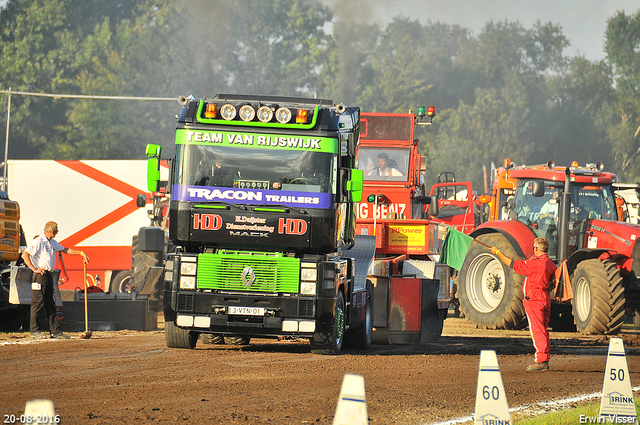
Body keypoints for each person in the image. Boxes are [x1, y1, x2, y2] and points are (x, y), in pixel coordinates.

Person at [490, 237, 557, 371]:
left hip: (534, 299)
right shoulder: (550, 264)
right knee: (542, 329)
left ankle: (542, 360)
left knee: (537, 330)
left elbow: (513, 264)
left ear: (536, 249)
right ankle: (544, 357)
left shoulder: (534, 263)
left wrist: (498, 253)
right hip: (544, 297)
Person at [22, 221, 90, 339]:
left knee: (50, 304)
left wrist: (81, 253)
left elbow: (65, 250)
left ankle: (55, 331)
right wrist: (34, 269)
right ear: (53, 231)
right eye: (56, 230)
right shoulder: (38, 242)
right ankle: (35, 331)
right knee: (38, 303)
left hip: (48, 275)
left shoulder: (52, 243)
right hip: (40, 276)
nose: (57, 232)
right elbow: (25, 255)